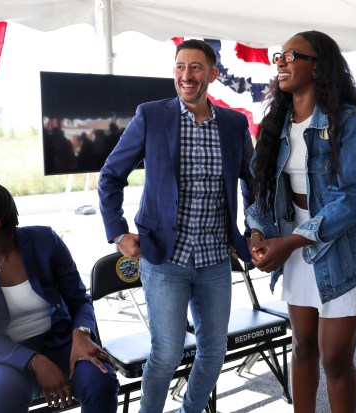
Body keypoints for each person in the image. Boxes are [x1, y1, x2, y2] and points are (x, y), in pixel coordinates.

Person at [98, 39, 254, 413]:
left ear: (213, 75)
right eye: (180, 67)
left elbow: (253, 184)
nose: (187, 75)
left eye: (196, 67)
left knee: (214, 352)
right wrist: (119, 233)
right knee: (166, 355)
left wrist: (254, 230)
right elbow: (111, 175)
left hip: (216, 258)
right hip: (166, 258)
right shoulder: (152, 115)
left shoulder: (234, 124)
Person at [245, 31, 356, 413]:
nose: (281, 62)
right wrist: (257, 231)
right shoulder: (277, 122)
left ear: (317, 65)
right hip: (293, 242)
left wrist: (291, 242)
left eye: (292, 55)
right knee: (303, 346)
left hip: (340, 247)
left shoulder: (349, 121)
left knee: (335, 359)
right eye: (280, 55)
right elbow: (262, 191)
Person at [0, 180, 119, 413]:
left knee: (102, 381)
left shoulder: (45, 241)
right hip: (3, 355)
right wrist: (35, 361)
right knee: (2, 395)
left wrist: (81, 333)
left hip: (59, 341)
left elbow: (79, 300)